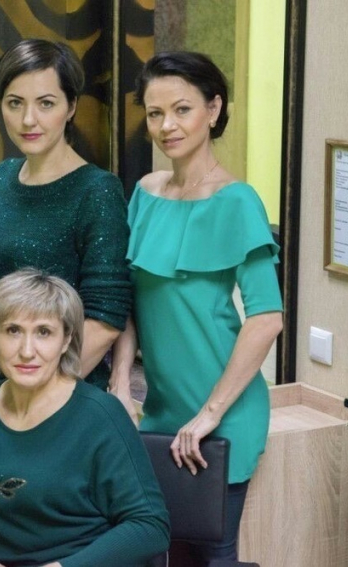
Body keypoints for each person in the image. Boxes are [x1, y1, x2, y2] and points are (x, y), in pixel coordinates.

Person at [111, 51, 283, 562]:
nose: (167, 125)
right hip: (160, 411)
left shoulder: (238, 201)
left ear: (213, 109)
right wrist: (120, 382)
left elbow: (267, 318)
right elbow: (128, 300)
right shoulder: (145, 193)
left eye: (182, 109)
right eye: (155, 113)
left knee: (214, 557)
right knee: (158, 550)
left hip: (223, 414)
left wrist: (210, 414)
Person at [0, 269, 170, 566]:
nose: (27, 351)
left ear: (66, 339)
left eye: (44, 332)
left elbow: (150, 526)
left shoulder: (101, 415)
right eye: (13, 330)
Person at [0, 39, 131, 396]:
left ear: (71, 107)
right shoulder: (2, 176)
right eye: (15, 103)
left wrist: (41, 396)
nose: (28, 120)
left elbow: (106, 317)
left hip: (61, 392)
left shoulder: (97, 190)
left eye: (46, 103)